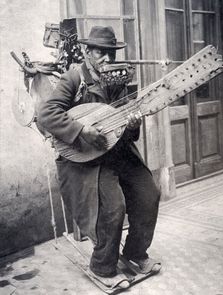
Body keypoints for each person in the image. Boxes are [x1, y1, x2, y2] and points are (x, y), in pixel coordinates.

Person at [38, 26, 161, 289]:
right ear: (86, 51)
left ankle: (135, 254)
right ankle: (102, 266)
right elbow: (46, 113)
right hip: (86, 158)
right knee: (112, 207)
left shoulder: (118, 79)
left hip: (117, 151)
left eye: (110, 53)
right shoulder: (74, 78)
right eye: (100, 52)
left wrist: (132, 125)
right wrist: (80, 129)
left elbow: (127, 130)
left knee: (148, 193)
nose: (107, 59)